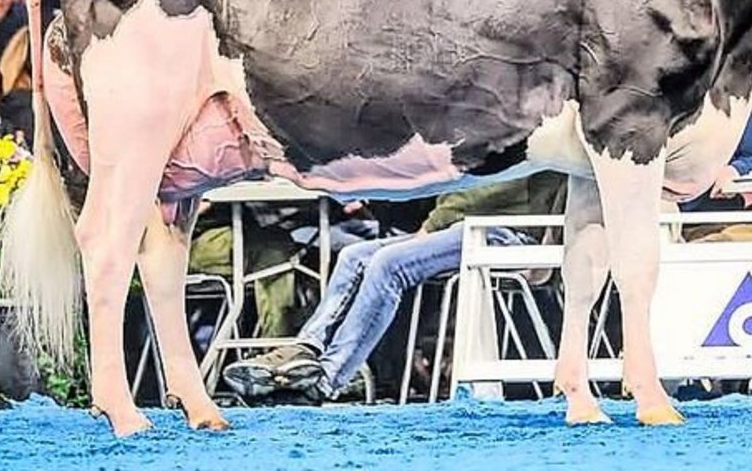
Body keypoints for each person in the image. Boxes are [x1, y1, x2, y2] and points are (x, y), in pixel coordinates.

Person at [221, 171, 564, 402]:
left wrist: (429, 228)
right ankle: (306, 349)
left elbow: (482, 195)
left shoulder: (519, 126)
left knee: (388, 264)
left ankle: (326, 380)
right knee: (354, 255)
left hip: (506, 232)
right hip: (460, 228)